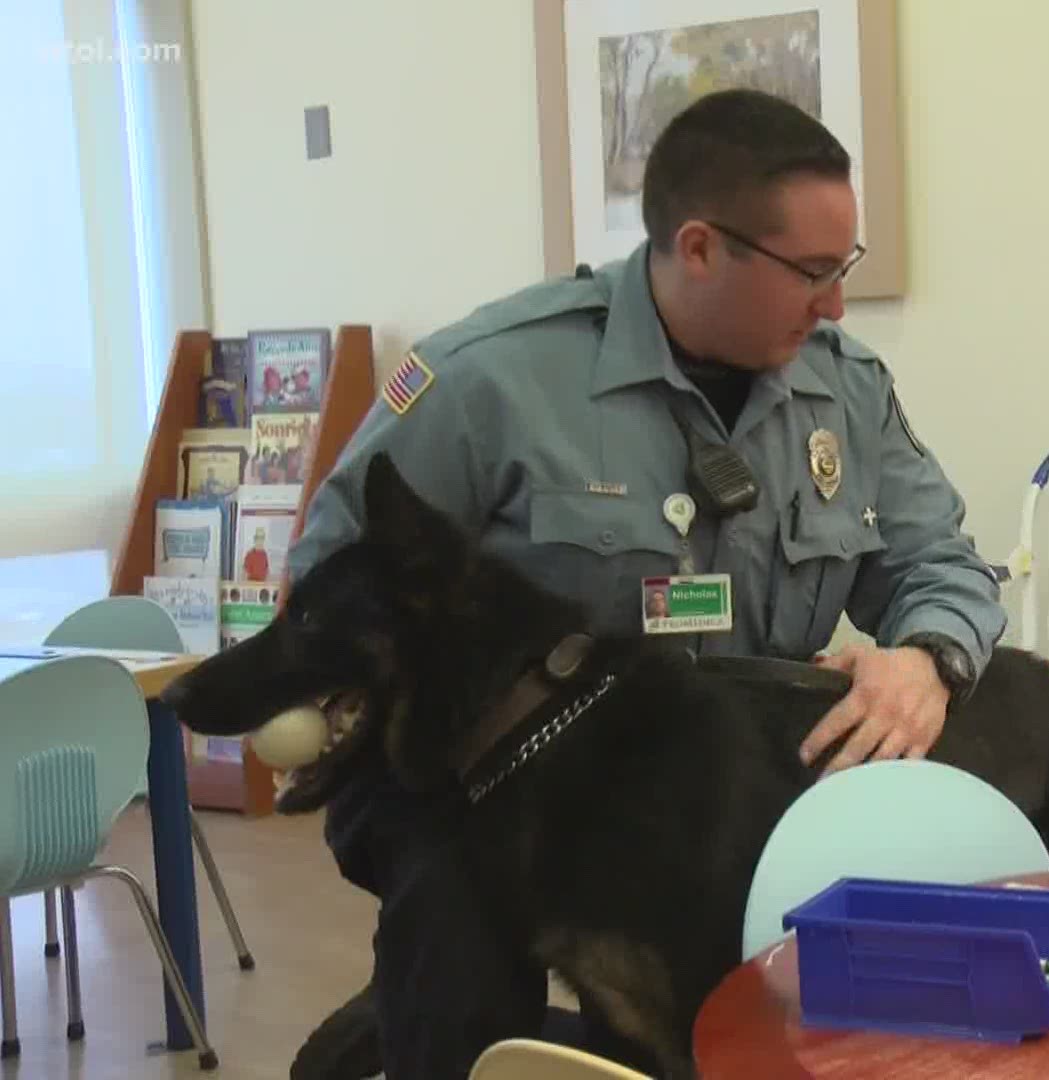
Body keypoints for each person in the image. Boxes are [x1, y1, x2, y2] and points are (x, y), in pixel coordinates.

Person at [282, 88, 1003, 1079]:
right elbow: (331, 582)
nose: (837, 303)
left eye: (847, 269)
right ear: (700, 248)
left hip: (719, 773)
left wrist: (927, 657)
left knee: (857, 931)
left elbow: (937, 561)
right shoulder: (490, 382)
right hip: (490, 777)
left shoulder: (844, 387)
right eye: (812, 273)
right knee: (461, 924)